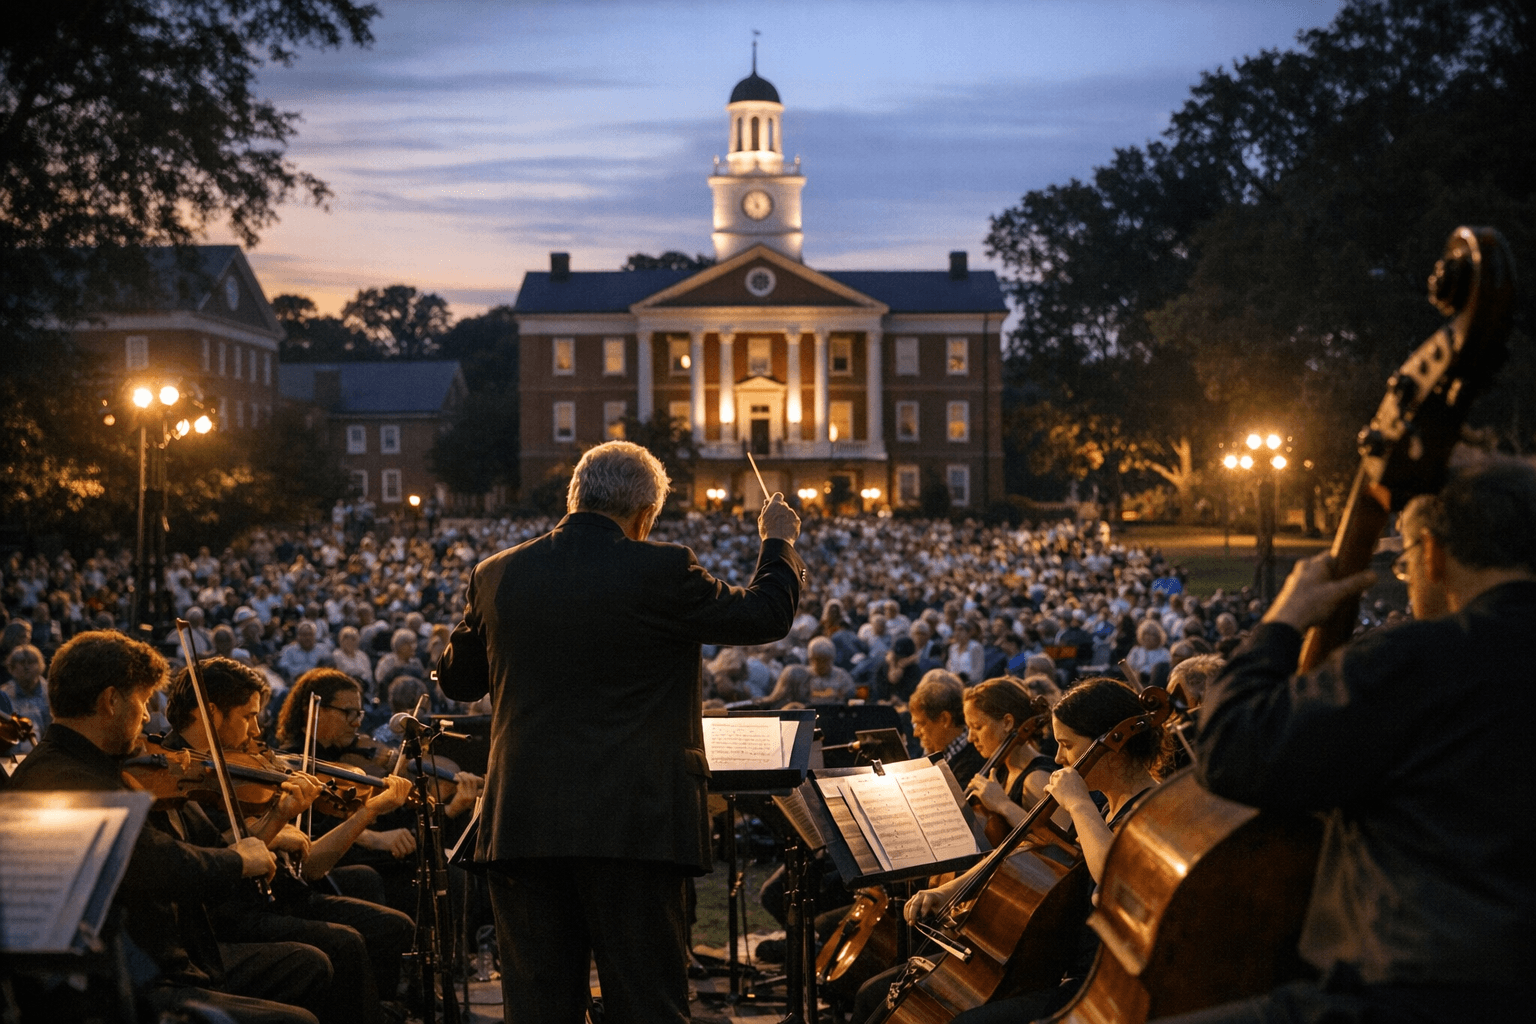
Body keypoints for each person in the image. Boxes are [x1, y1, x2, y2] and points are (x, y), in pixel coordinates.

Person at [436, 440, 804, 1024]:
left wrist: (487, 612)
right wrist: (777, 541)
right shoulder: (662, 568)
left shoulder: (496, 572)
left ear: (574, 496)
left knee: (537, 1009)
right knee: (646, 1004)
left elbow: (456, 680)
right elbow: (764, 615)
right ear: (645, 515)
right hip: (634, 825)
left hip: (524, 823)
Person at [1157, 460, 1536, 1023]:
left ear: (1432, 552)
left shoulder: (1416, 659)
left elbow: (1234, 749)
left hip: (1415, 996)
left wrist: (1283, 620)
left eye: (1404, 564)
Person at [5, 631, 329, 1024]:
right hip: (135, 984)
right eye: (142, 701)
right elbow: (157, 861)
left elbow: (182, 849)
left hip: (173, 958)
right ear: (110, 701)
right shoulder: (63, 777)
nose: (145, 717)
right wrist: (235, 862)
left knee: (308, 966)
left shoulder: (94, 766)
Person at [907, 669, 983, 786]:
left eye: (922, 724)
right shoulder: (935, 750)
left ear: (945, 719)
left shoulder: (973, 762)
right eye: (915, 725)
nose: (916, 733)